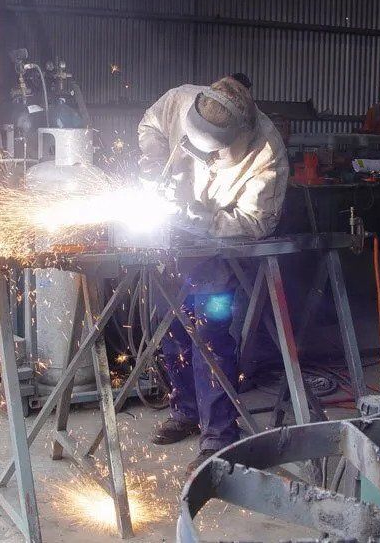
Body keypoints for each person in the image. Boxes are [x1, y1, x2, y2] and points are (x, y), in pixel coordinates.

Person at [137, 77, 288, 472]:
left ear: (235, 139)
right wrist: (153, 163)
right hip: (169, 245)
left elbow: (257, 222)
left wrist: (201, 218)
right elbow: (150, 125)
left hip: (217, 255)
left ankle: (218, 435)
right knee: (169, 326)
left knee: (210, 334)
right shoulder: (179, 99)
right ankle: (185, 411)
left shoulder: (265, 152)